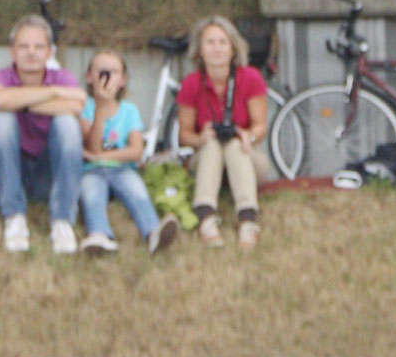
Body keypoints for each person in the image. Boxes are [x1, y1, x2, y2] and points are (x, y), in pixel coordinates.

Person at [0, 14, 85, 254]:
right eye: (23, 46)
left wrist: (17, 101)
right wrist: (54, 93)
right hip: (4, 176)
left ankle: (62, 222)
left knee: (67, 124)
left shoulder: (63, 77)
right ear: (12, 52)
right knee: (3, 120)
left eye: (39, 47)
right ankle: (14, 218)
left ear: (50, 52)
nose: (31, 53)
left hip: (46, 177)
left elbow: (75, 106)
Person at [175, 15, 271, 247]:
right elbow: (183, 135)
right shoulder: (191, 84)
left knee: (235, 146)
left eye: (222, 42)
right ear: (200, 51)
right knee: (212, 145)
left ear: (233, 49)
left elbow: (260, 126)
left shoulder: (250, 78)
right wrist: (201, 138)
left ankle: (248, 220)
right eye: (210, 42)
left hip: (247, 158)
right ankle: (206, 217)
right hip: (208, 160)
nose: (217, 49)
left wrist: (247, 136)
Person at [77, 48, 179, 257]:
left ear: (122, 80)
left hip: (123, 169)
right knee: (91, 195)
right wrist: (101, 110)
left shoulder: (129, 110)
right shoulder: (84, 107)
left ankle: (152, 233)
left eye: (112, 72)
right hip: (91, 171)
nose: (106, 77)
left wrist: (101, 157)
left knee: (137, 192)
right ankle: (99, 235)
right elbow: (93, 146)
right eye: (100, 71)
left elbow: (135, 151)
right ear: (89, 77)